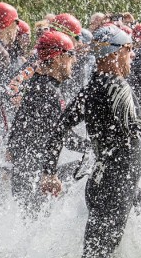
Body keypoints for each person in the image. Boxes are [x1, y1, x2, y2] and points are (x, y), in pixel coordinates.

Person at [41, 25, 141, 258]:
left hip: (110, 186)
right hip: (115, 188)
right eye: (129, 49)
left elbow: (58, 129)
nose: (132, 55)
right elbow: (135, 127)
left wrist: (49, 172)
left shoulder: (91, 88)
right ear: (115, 53)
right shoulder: (116, 86)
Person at [7, 30, 89, 214]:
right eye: (71, 55)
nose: (74, 61)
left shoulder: (38, 84)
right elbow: (65, 138)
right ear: (59, 57)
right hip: (36, 178)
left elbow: (20, 121)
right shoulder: (50, 93)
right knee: (88, 167)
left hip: (28, 173)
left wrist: (12, 147)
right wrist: (95, 147)